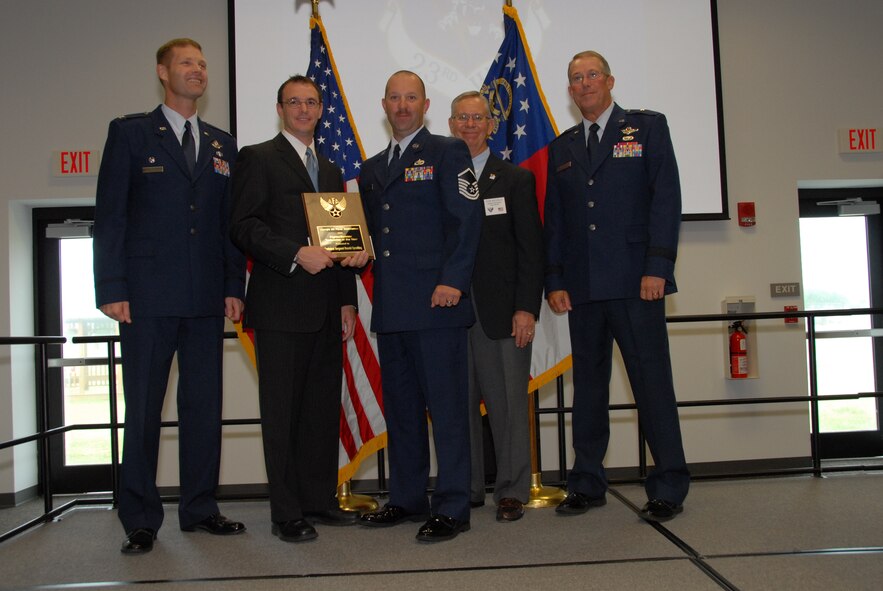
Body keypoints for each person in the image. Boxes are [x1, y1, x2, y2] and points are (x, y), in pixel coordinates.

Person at [93, 38, 247, 555]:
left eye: (203, 65)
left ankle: (200, 507)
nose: (198, 70)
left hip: (205, 298)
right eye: (187, 63)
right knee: (143, 411)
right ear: (163, 71)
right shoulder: (132, 133)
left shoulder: (223, 143)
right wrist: (111, 288)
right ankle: (139, 516)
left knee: (204, 407)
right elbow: (110, 216)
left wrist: (233, 287)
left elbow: (227, 227)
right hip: (145, 298)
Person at [544, 50, 690, 522]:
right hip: (583, 288)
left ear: (609, 81)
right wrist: (556, 279)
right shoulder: (562, 146)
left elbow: (665, 200)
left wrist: (658, 267)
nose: (584, 84)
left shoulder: (646, 128)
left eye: (591, 75)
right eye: (575, 79)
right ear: (569, 91)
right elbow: (559, 222)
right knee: (588, 390)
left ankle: (667, 485)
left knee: (652, 386)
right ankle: (586, 482)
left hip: (635, 282)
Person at [229, 75, 369, 543]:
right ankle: (286, 512)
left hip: (327, 310)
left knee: (319, 412)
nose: (304, 109)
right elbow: (243, 226)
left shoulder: (329, 170)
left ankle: (319, 501)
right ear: (280, 108)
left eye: (311, 102)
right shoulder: (257, 158)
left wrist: (347, 299)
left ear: (321, 109)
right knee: (283, 414)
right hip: (280, 310)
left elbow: (341, 239)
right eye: (295, 102)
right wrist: (293, 252)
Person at [357, 71, 482, 542]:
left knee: (447, 411)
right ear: (384, 104)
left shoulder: (449, 152)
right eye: (395, 97)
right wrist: (352, 251)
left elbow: (467, 221)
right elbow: (371, 236)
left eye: (412, 97)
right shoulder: (372, 168)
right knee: (403, 411)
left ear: (426, 104)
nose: (403, 105)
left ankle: (452, 506)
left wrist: (453, 281)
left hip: (437, 305)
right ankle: (407, 498)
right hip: (392, 310)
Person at [447, 91, 543, 522]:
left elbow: (531, 251)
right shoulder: (438, 177)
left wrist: (527, 308)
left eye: (478, 118)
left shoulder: (515, 179)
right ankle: (466, 487)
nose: (470, 124)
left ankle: (511, 489)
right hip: (448, 311)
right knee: (456, 405)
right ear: (450, 124)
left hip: (502, 312)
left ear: (491, 124)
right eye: (462, 117)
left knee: (506, 404)